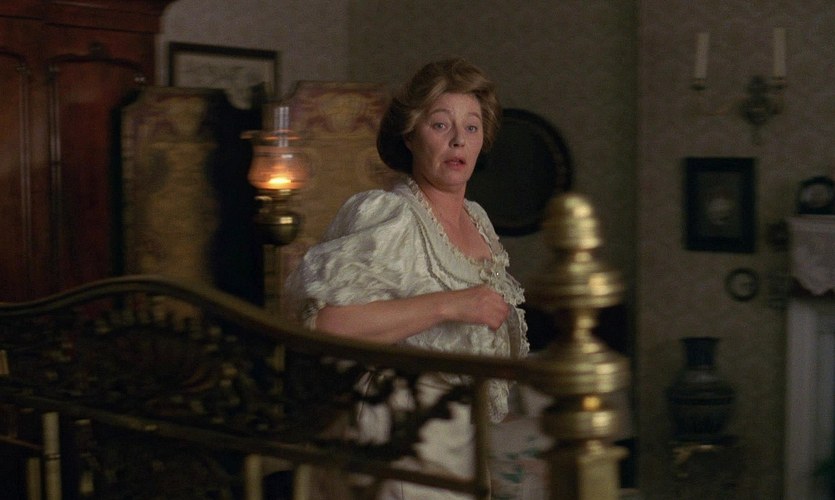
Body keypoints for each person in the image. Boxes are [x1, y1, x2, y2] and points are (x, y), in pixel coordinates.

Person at [284, 57, 529, 499]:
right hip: (396, 432)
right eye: (440, 125)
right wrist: (448, 305)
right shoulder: (390, 216)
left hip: (459, 435)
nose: (458, 140)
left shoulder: (477, 218)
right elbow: (325, 325)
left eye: (472, 127)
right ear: (410, 135)